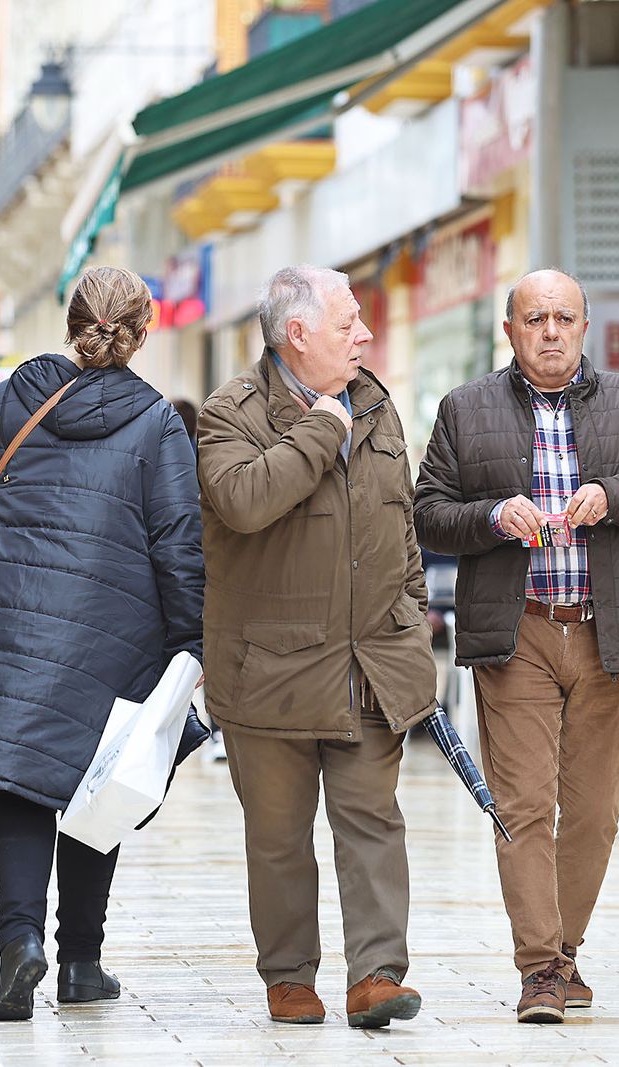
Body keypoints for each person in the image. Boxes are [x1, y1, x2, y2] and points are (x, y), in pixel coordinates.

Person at [0, 266, 204, 1022]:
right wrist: (194, 638)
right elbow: (178, 543)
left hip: (3, 614)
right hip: (112, 626)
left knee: (20, 781)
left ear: (71, 323)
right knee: (102, 781)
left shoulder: (12, 398)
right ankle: (80, 962)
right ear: (140, 330)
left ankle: (20, 941)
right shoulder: (156, 421)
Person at [413, 268, 619, 1023]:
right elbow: (427, 513)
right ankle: (540, 967)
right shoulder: (464, 410)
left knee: (597, 811)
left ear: (583, 327)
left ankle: (564, 951)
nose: (549, 330)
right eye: (534, 318)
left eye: (563, 318)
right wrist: (488, 518)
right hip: (518, 631)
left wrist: (615, 497)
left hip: (608, 628)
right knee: (524, 804)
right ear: (509, 331)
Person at [197, 266, 437, 1029]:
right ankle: (290, 976)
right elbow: (244, 501)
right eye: (348, 323)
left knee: (372, 820)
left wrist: (411, 616)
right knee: (277, 838)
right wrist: (323, 427)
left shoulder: (376, 403)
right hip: (267, 669)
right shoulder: (229, 413)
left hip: (372, 662)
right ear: (297, 335)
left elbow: (400, 528)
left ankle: (376, 972)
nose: (364, 334)